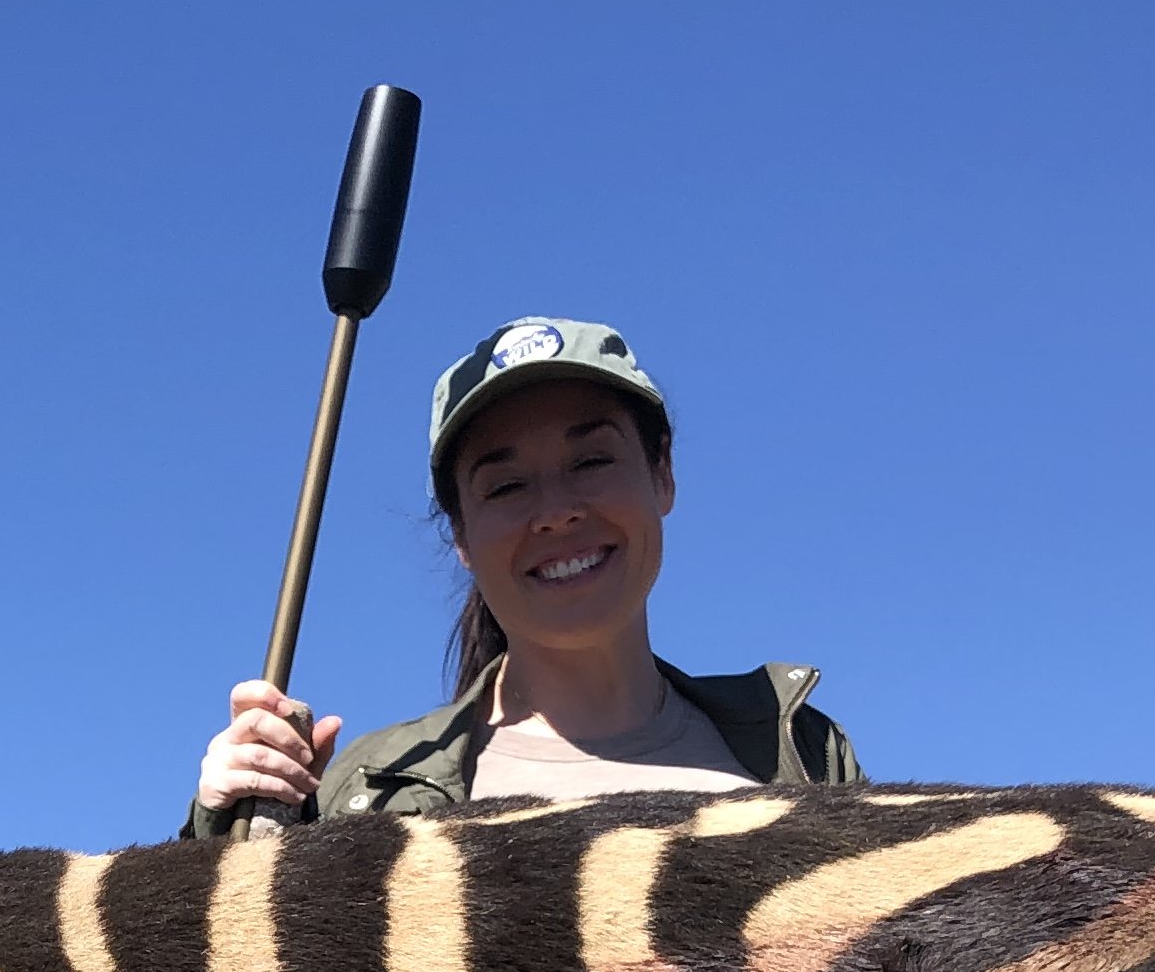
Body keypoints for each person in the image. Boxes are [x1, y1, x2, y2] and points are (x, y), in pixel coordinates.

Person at [186, 316, 859, 836]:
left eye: (591, 460)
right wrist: (226, 825)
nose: (557, 512)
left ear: (663, 476)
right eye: (505, 485)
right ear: (461, 537)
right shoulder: (365, 792)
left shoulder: (797, 750)